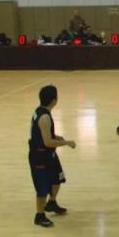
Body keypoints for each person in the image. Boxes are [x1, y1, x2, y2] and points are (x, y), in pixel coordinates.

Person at [29, 85, 76, 227]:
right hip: (40, 157)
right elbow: (48, 142)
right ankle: (39, 215)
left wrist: (56, 136)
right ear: (54, 100)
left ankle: (51, 203)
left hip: (49, 154)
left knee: (57, 178)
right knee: (42, 188)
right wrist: (67, 143)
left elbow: (45, 134)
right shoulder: (44, 117)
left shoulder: (41, 111)